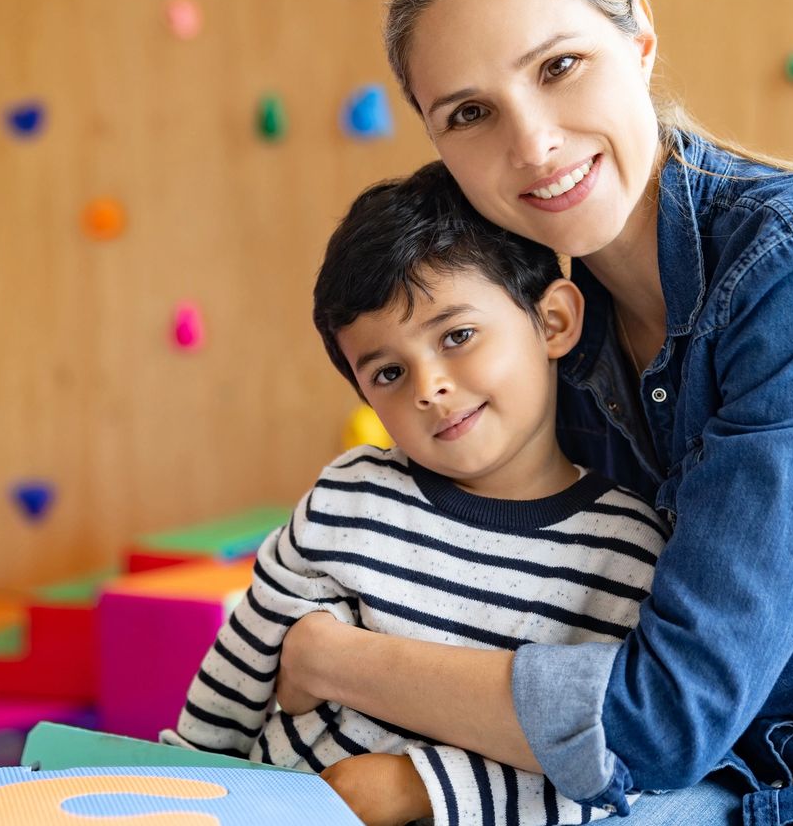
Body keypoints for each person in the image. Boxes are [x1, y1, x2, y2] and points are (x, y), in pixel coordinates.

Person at [272, 0, 793, 826]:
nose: (534, 143)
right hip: (740, 773)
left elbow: (661, 717)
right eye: (470, 114)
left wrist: (336, 659)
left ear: (640, 42)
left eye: (560, 66)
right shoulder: (558, 335)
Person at [164, 160, 668, 825]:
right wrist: (170, 784)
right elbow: (236, 675)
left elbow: (611, 772)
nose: (427, 387)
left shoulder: (627, 551)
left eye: (457, 337)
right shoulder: (347, 497)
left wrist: (415, 786)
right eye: (389, 372)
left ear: (552, 322)